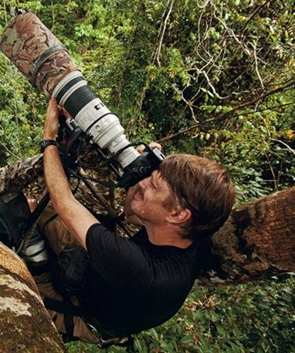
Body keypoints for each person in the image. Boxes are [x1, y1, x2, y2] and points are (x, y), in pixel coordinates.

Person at [34, 97, 236, 345]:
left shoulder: (141, 270)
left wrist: (49, 139)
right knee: (32, 207)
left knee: (9, 277)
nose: (143, 183)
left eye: (153, 185)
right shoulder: (191, 230)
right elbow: (131, 213)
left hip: (84, 313)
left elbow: (65, 203)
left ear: (177, 213)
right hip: (98, 274)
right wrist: (140, 173)